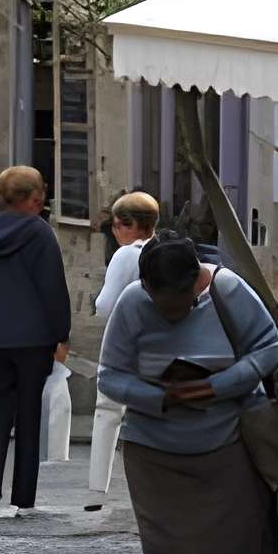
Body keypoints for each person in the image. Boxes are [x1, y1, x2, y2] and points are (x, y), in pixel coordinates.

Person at [97, 233, 278, 554]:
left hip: (229, 445)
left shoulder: (228, 290)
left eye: (179, 303)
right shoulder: (133, 302)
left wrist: (217, 386)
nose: (170, 312)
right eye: (161, 303)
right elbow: (110, 376)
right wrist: (159, 397)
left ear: (196, 284)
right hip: (155, 455)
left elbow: (270, 348)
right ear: (145, 287)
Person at [0, 163, 73, 520]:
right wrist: (61, 334)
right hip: (33, 340)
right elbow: (53, 289)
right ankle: (24, 496)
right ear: (33, 198)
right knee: (28, 416)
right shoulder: (39, 233)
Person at [88, 190, 162, 510]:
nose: (115, 232)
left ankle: (97, 488)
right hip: (160, 343)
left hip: (124, 343)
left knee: (108, 410)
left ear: (129, 224)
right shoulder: (164, 249)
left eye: (116, 225)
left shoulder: (125, 255)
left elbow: (106, 305)